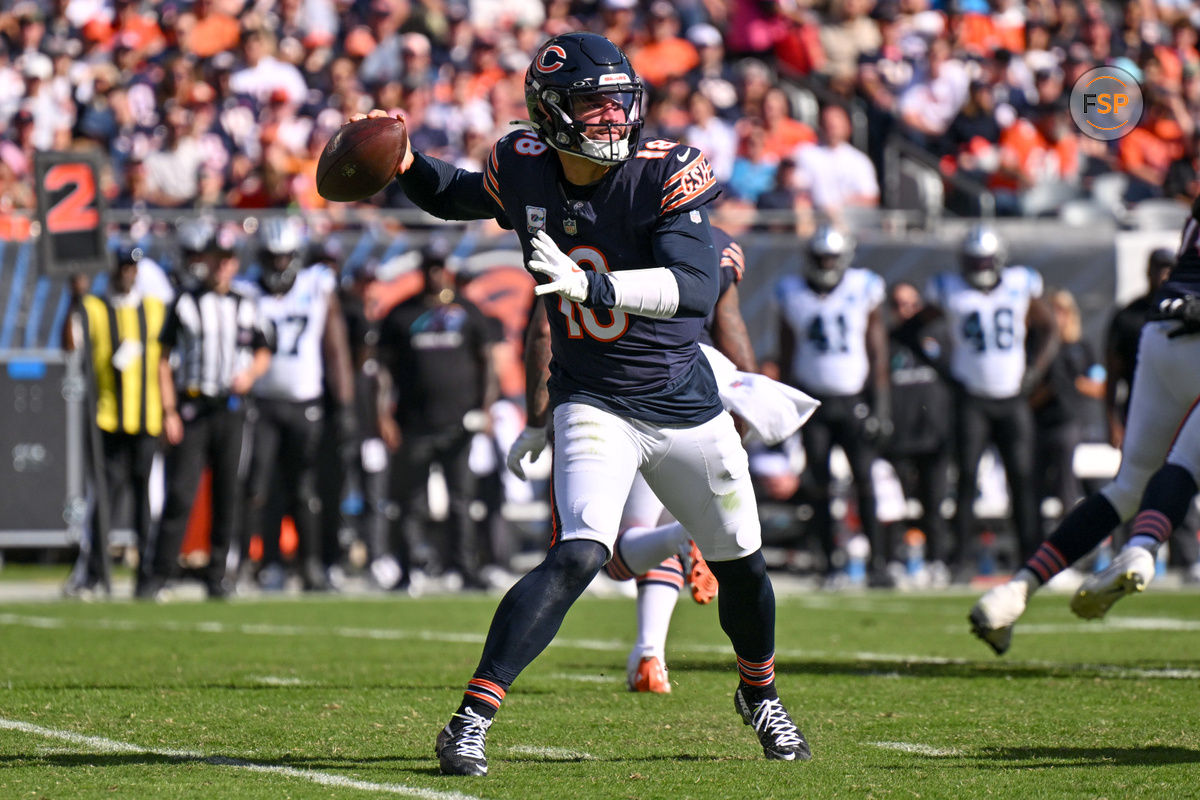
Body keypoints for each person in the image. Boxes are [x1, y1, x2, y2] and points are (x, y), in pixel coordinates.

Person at [356, 31, 810, 773]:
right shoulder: (523, 165)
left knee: (744, 567)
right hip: (592, 397)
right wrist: (406, 164)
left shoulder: (667, 172)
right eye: (593, 106)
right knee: (577, 555)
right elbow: (459, 194)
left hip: (682, 398)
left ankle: (759, 693)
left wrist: (594, 286)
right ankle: (470, 719)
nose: (612, 119)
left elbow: (695, 292)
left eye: (619, 102)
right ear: (551, 113)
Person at [591, 227, 817, 693]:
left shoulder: (617, 231)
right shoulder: (715, 242)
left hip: (645, 381)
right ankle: (648, 655)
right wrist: (743, 393)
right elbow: (730, 323)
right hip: (708, 380)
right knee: (659, 533)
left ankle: (679, 548)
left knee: (620, 554)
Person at [969, 202, 1200, 655]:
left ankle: (1015, 590)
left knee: (1128, 486)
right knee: (1185, 464)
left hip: (1161, 331)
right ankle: (1141, 549)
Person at [140, 219, 270, 600]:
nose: (221, 266)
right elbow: (162, 357)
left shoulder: (245, 303)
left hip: (231, 409)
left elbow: (264, 349)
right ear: (206, 261)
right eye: (216, 259)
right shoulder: (184, 301)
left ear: (234, 263)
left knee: (227, 495)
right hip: (193, 406)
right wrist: (169, 410)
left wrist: (250, 374)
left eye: (227, 259)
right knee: (180, 493)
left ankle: (218, 576)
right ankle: (158, 574)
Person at [921, 225, 1058, 580]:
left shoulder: (1020, 284)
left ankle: (1032, 558)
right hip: (973, 400)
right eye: (972, 260)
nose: (978, 267)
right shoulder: (948, 289)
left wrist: (1034, 370)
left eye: (983, 260)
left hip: (1012, 399)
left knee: (1024, 479)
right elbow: (913, 328)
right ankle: (960, 561)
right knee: (966, 480)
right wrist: (942, 369)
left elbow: (1050, 328)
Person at [377, 246, 500, 591]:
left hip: (459, 423)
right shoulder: (401, 313)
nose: (434, 274)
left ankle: (464, 568)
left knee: (461, 501)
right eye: (429, 267)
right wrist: (383, 415)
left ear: (446, 269)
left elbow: (487, 361)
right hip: (413, 423)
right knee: (409, 501)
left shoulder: (467, 310)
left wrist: (486, 407)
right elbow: (383, 372)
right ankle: (407, 568)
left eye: (439, 267)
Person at [243, 217, 355, 593]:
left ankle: (311, 564)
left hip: (307, 403)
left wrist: (344, 403)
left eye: (283, 256)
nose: (278, 264)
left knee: (306, 489)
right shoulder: (246, 291)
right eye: (272, 257)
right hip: (262, 402)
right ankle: (267, 563)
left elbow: (335, 346)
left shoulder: (316, 285)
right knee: (264, 489)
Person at [776, 225, 893, 587]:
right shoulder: (791, 292)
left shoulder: (863, 288)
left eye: (831, 257)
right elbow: (787, 355)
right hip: (814, 401)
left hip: (853, 398)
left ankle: (878, 564)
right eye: (820, 257)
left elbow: (877, 351)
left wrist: (881, 405)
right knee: (818, 485)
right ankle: (828, 563)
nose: (826, 263)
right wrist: (788, 406)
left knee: (865, 482)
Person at [62, 246, 168, 598]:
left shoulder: (154, 309)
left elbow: (167, 360)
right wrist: (73, 300)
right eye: (122, 266)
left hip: (147, 418)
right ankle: (93, 574)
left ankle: (147, 579)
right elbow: (70, 344)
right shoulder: (94, 307)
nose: (128, 273)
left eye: (132, 267)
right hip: (108, 418)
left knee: (145, 503)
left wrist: (169, 410)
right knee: (104, 501)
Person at [1104, 249, 1200, 575]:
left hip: (1185, 407)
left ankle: (1185, 557)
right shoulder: (1130, 314)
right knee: (1133, 483)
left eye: (1167, 268)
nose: (1161, 274)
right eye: (1156, 267)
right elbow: (1112, 370)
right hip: (1144, 406)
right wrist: (1112, 421)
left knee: (1180, 476)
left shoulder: (1187, 305)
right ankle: (1127, 553)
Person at [882, 282, 954, 586]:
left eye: (912, 304)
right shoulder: (886, 341)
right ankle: (895, 561)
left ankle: (938, 560)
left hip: (932, 434)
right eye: (899, 304)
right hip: (898, 437)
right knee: (894, 506)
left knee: (934, 503)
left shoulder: (938, 338)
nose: (906, 310)